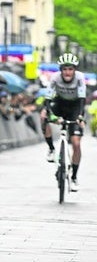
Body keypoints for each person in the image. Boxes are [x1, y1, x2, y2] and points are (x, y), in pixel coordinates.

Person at [40, 53, 86, 191]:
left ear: (74, 70)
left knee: (76, 143)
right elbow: (48, 99)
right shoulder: (54, 78)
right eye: (65, 69)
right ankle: (52, 149)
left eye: (70, 69)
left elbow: (82, 99)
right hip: (59, 103)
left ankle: (74, 177)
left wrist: (81, 116)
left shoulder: (79, 78)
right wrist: (52, 115)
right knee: (44, 116)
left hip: (75, 107)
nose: (67, 72)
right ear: (60, 70)